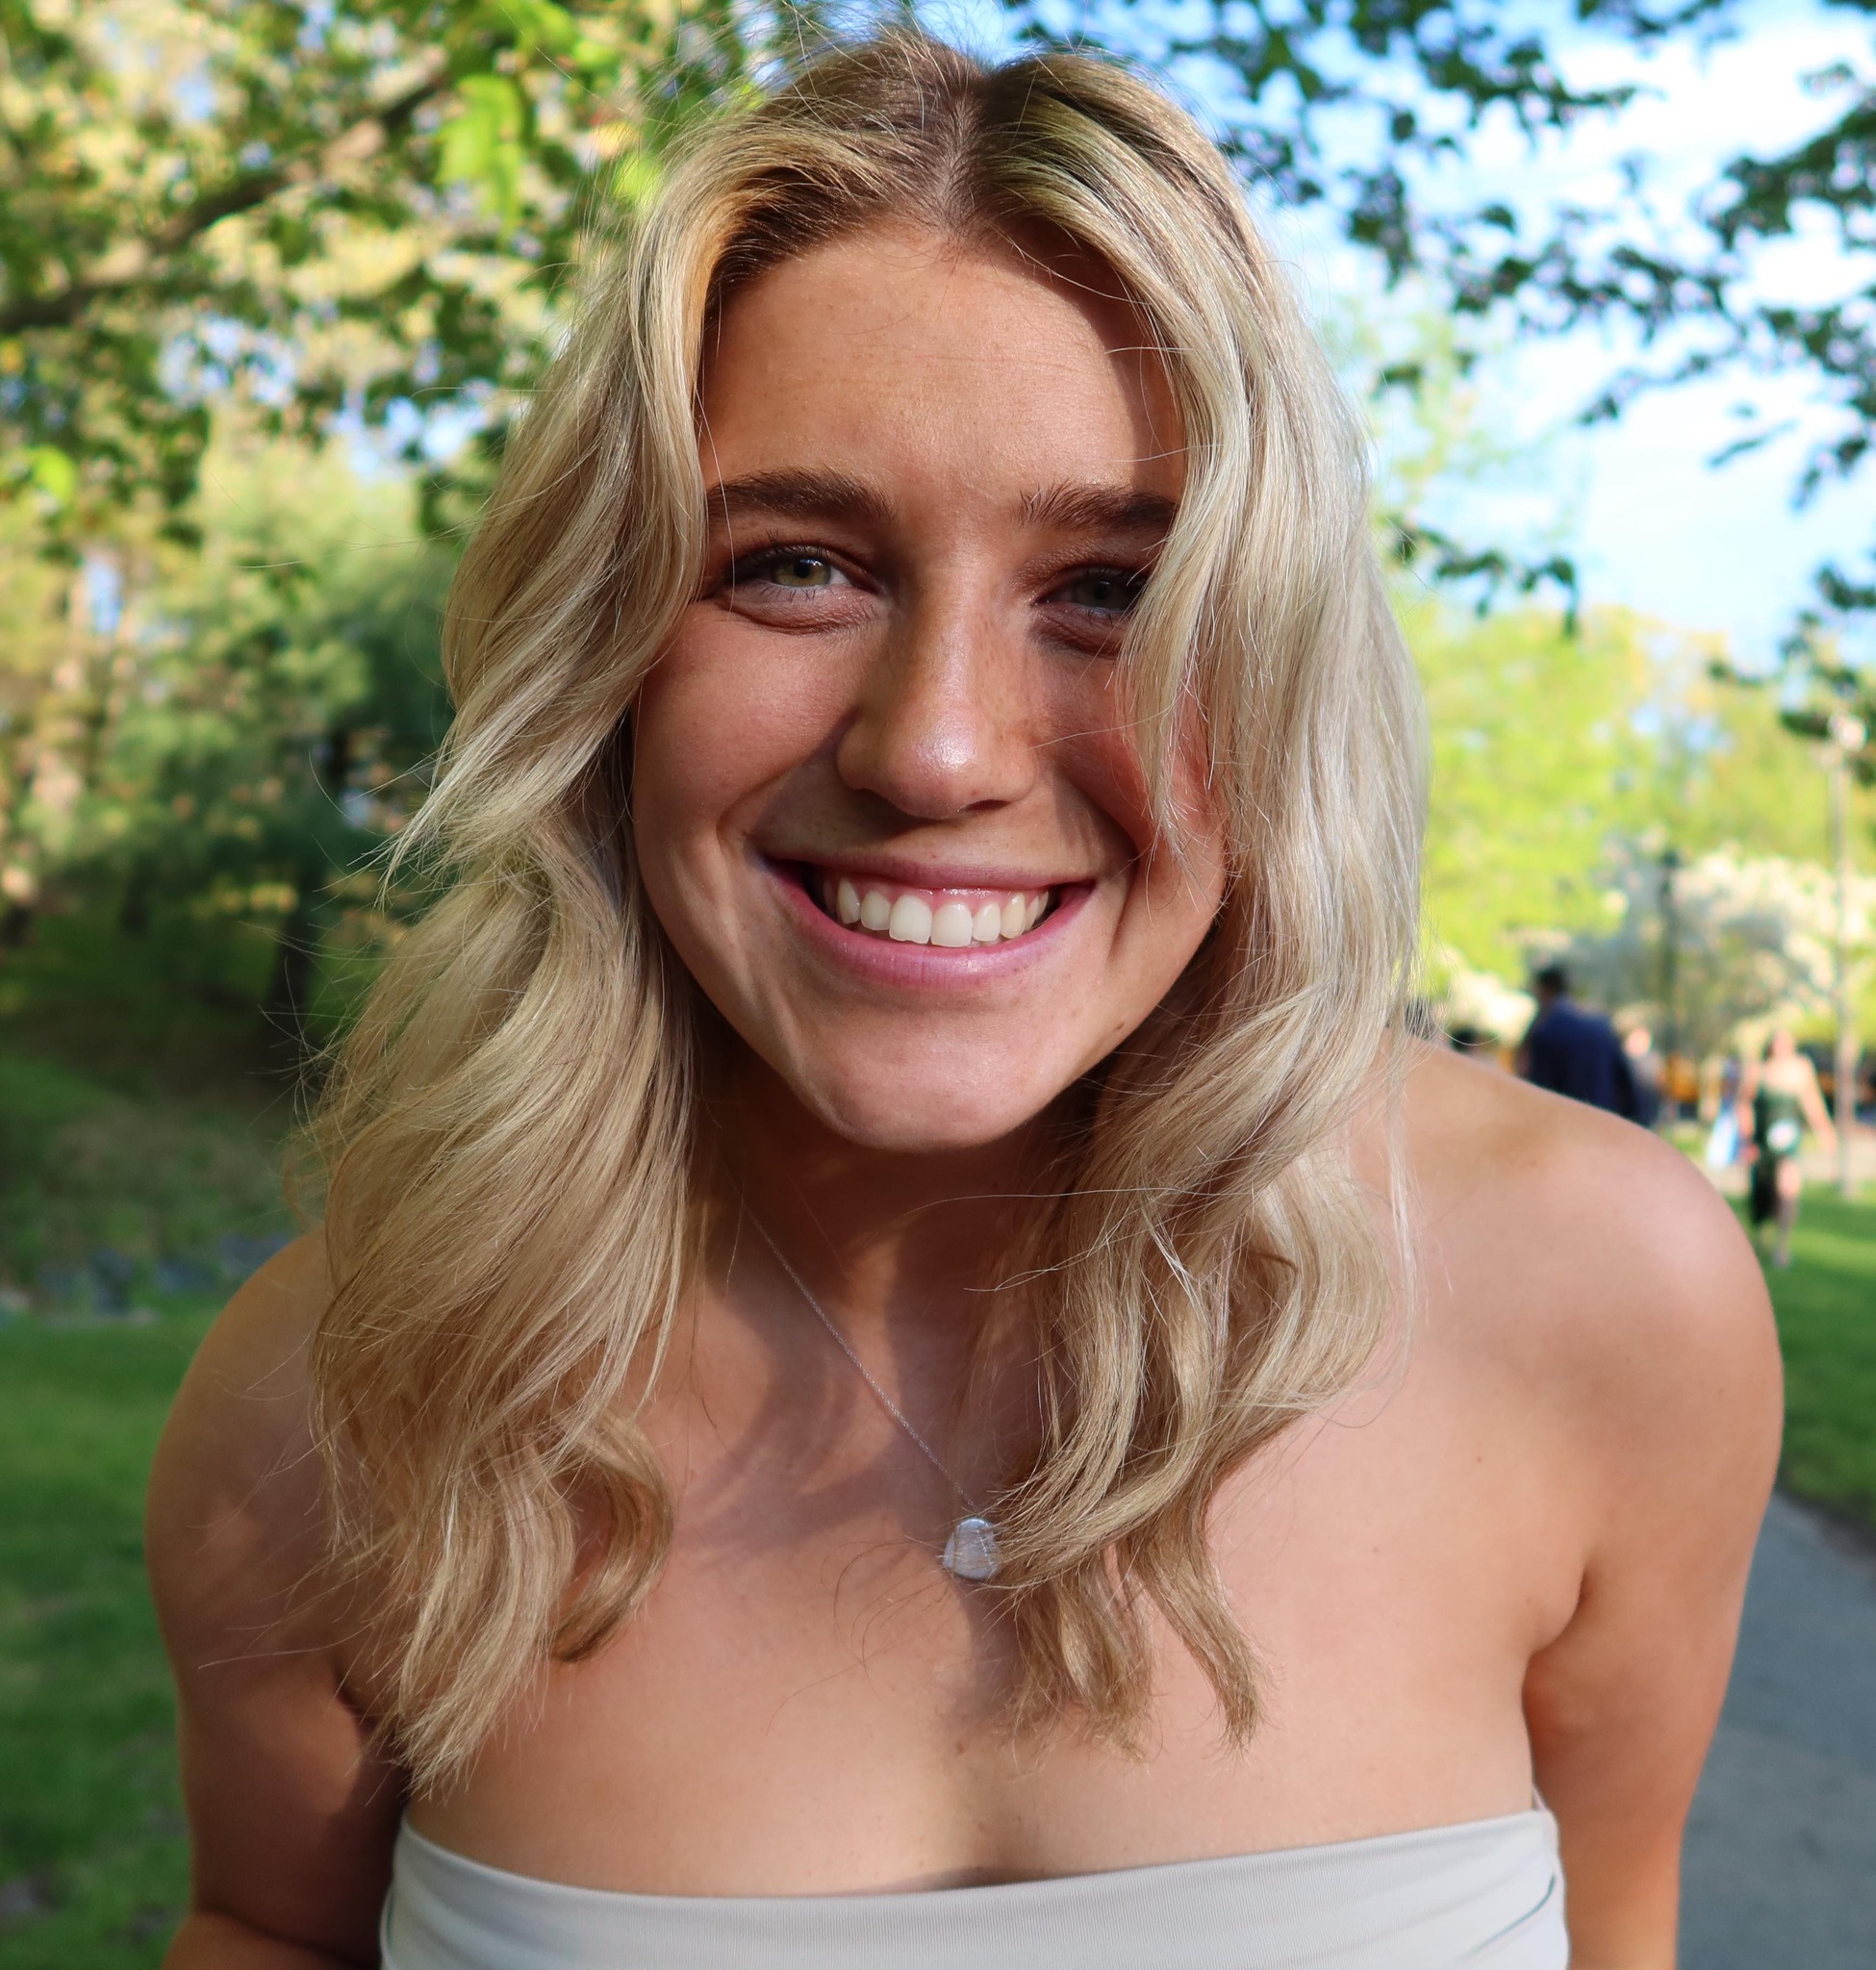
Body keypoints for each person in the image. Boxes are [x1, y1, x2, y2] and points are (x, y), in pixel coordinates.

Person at [146, 36, 1778, 1970]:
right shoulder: (348, 1392)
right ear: (605, 658)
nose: (934, 749)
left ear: (1274, 665)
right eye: (796, 566)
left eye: (1109, 589)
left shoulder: (1605, 1302)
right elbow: (268, 1926)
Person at [1742, 1028, 1835, 1268]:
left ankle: (1782, 1246)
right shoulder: (1758, 1070)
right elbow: (1745, 1103)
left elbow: (1812, 1101)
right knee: (1762, 1191)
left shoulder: (1800, 1069)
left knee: (1788, 1189)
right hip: (1762, 1140)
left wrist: (1824, 1131)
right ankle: (1759, 1237)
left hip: (1789, 1141)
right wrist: (1747, 1139)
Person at [1517, 964, 1639, 1119]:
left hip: (1563, 1120)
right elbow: (1627, 1087)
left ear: (1544, 989)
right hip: (1604, 1118)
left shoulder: (1545, 1029)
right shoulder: (1602, 1026)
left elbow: (1535, 1087)